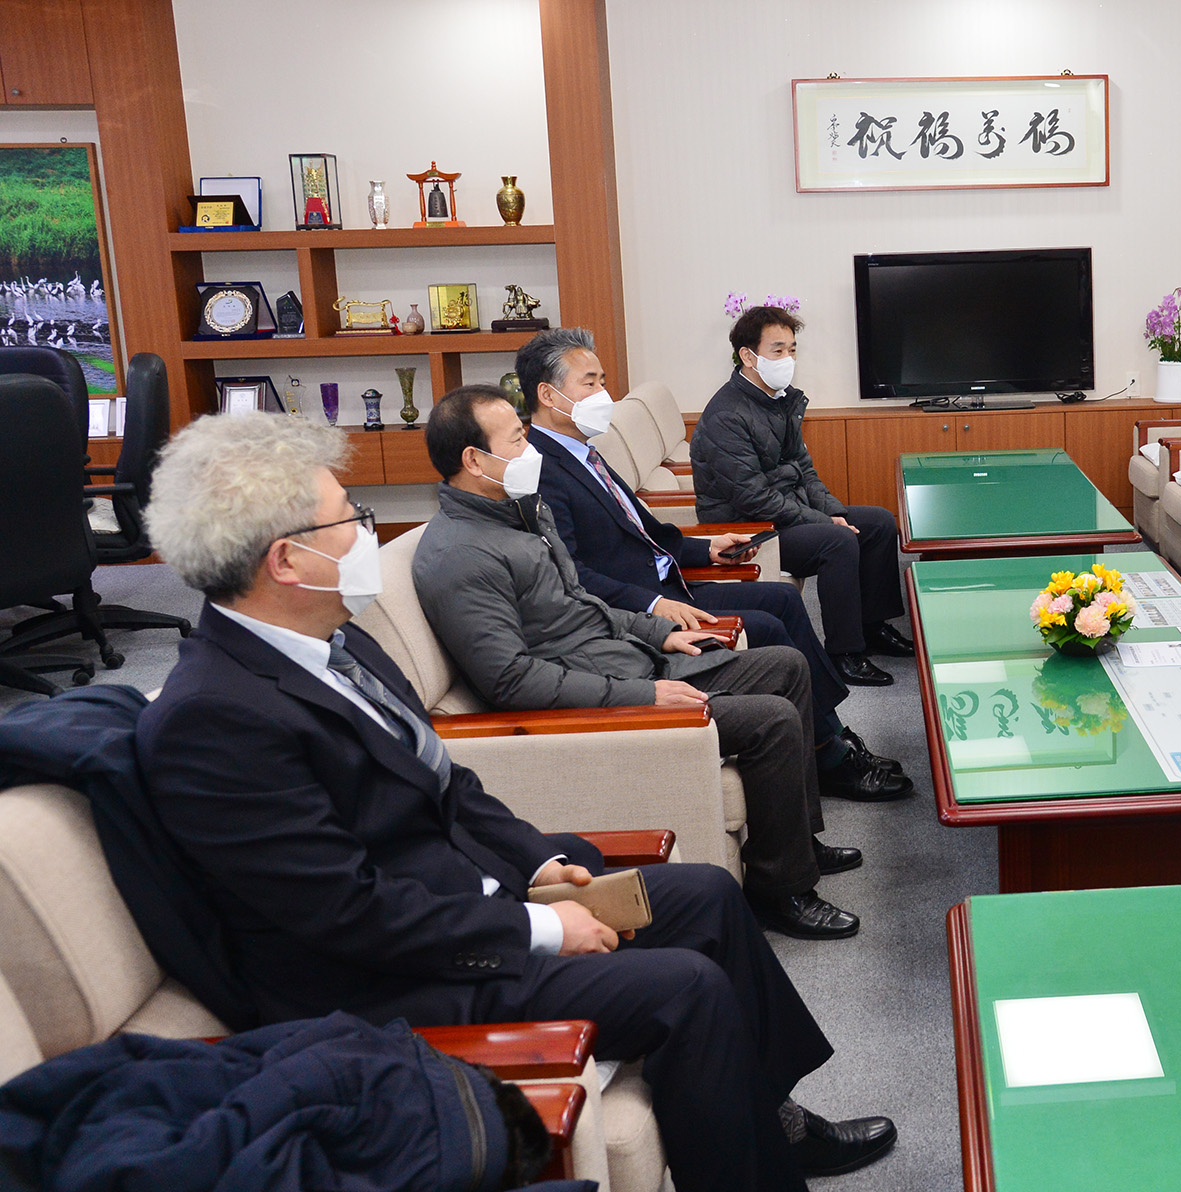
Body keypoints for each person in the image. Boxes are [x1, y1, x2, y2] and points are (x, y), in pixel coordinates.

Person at [135, 412, 897, 1190]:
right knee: (686, 987)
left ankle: (772, 1119)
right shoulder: (213, 719)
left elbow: (448, 785)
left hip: (461, 903)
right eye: (349, 518)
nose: (366, 532)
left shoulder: (338, 641)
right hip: (388, 980)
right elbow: (347, 913)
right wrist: (540, 927)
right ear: (287, 560)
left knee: (705, 895)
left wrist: (539, 863)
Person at [411, 385, 861, 940]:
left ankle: (795, 845)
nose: (531, 450)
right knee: (770, 719)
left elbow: (582, 602)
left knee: (786, 666)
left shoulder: (520, 512)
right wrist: (645, 696)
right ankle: (783, 890)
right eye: (518, 440)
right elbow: (511, 679)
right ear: (475, 460)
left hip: (626, 658)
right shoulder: (460, 555)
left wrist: (659, 632)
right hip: (607, 692)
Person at [516, 328, 911, 802]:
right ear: (548, 395)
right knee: (767, 623)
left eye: (603, 381)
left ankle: (829, 736)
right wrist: (653, 605)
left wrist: (705, 550)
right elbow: (572, 573)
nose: (605, 395)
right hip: (639, 609)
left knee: (783, 600)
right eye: (591, 383)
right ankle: (830, 753)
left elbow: (645, 533)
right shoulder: (543, 469)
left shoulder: (583, 452)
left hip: (670, 581)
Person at [689, 306, 912, 685]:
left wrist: (832, 510)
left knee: (877, 522)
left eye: (792, 349)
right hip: (747, 529)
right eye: (777, 350)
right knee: (837, 541)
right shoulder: (726, 415)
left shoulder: (780, 400)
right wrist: (825, 521)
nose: (788, 359)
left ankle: (872, 627)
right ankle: (844, 653)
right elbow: (753, 498)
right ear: (748, 356)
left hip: (784, 512)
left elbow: (804, 470)